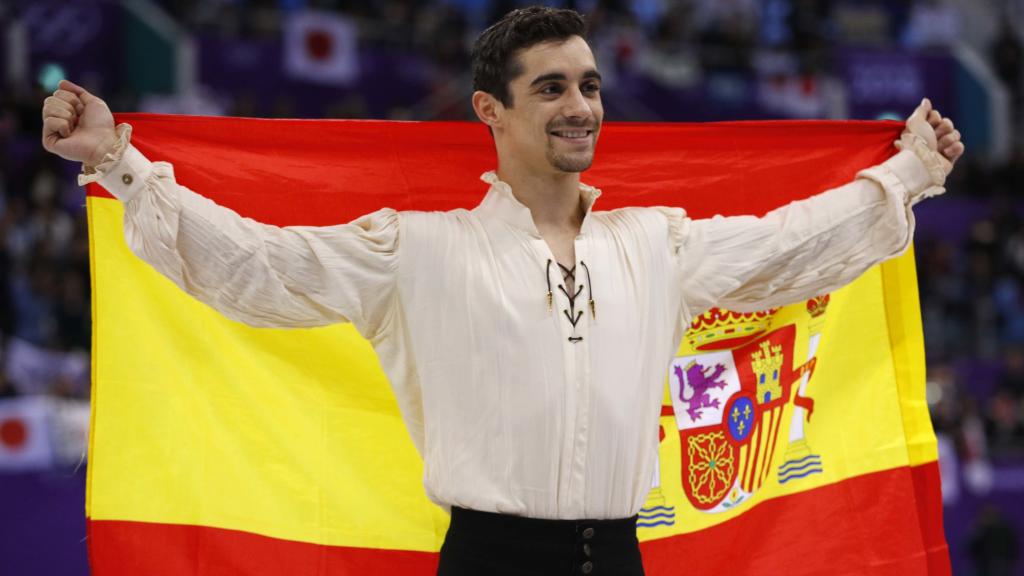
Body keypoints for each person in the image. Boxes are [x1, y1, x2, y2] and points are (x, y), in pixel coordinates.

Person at [41, 6, 963, 576]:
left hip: (624, 560)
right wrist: (122, 164)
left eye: (591, 85)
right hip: (488, 562)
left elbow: (789, 248)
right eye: (552, 87)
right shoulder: (417, 251)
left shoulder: (657, 244)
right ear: (491, 109)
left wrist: (908, 175)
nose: (581, 106)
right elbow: (258, 265)